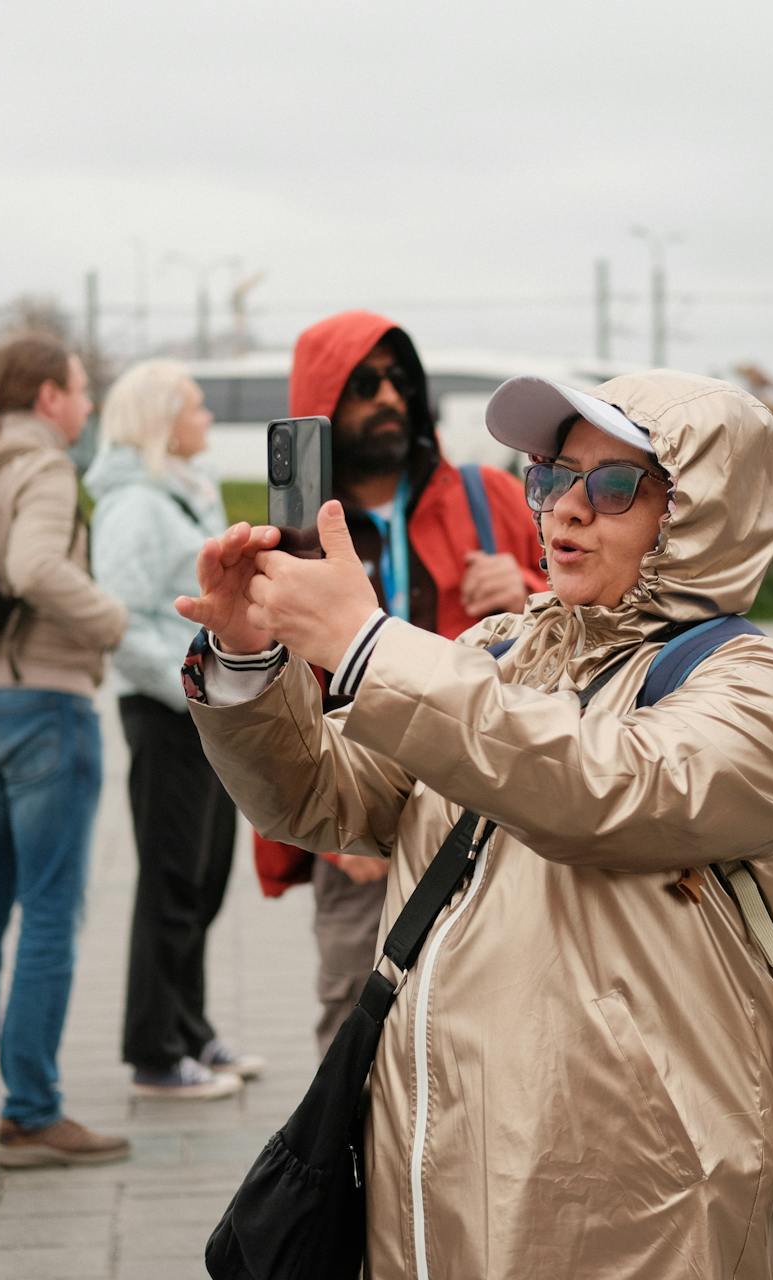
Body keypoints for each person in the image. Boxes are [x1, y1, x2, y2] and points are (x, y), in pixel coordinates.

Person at [177, 370, 773, 1277]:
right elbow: (326, 792)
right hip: (432, 1167)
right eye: (551, 477)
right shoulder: (498, 650)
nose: (566, 510)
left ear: (701, 511)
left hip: (638, 1200)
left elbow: (602, 787)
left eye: (612, 486)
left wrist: (368, 647)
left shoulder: (766, 690)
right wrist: (246, 663)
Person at [258, 310, 546, 1054]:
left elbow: (587, 627)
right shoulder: (289, 542)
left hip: (497, 814)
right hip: (359, 839)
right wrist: (335, 834)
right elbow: (277, 701)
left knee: (498, 1038)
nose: (389, 397)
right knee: (356, 1047)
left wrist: (528, 590)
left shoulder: (489, 497)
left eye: (400, 380)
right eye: (363, 383)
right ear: (320, 401)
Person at [0, 335, 132, 1167]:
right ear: (49, 396)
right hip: (44, 701)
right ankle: (33, 1112)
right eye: (81, 392)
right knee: (50, 910)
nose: (86, 408)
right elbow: (31, 565)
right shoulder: (43, 467)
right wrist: (114, 621)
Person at [85, 359, 264, 1098]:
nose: (207, 421)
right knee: (171, 880)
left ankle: (190, 1031)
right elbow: (122, 622)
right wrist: (190, 692)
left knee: (203, 876)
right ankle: (155, 1050)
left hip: (197, 712)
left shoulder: (178, 493)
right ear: (160, 420)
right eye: (194, 408)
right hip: (167, 714)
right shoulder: (134, 506)